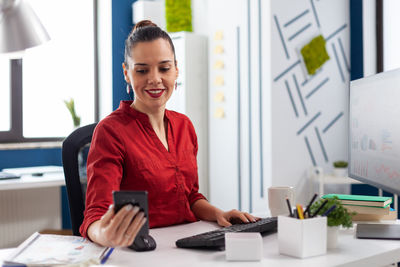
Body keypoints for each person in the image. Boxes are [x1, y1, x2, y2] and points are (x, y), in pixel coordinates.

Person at [80, 20, 257, 247]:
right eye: (142, 70)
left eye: (164, 68)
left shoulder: (185, 126)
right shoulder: (111, 131)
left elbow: (190, 197)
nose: (155, 79)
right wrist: (105, 234)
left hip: (187, 245)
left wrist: (218, 214)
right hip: (144, 252)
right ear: (126, 73)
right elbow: (94, 217)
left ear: (176, 70)